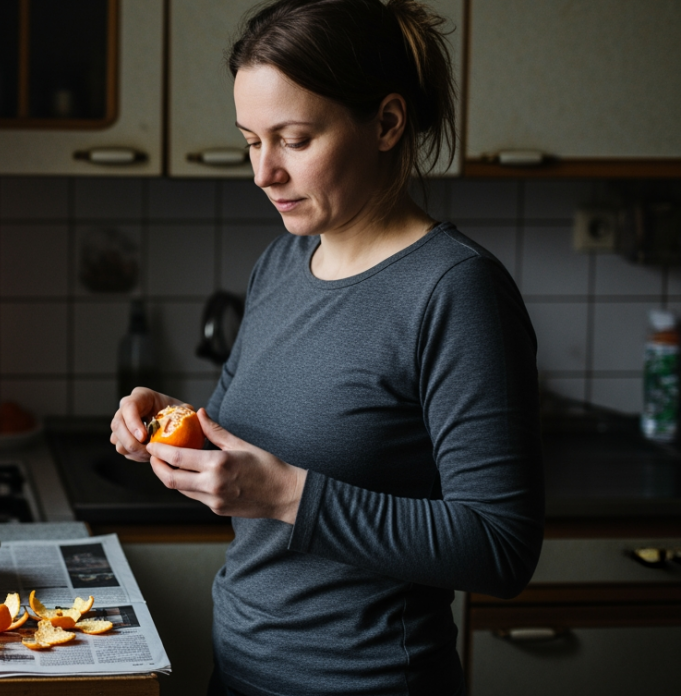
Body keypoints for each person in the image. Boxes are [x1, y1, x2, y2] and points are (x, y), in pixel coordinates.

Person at [109, 1, 544, 694]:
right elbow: (245, 452)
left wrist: (291, 499)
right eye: (252, 140)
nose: (264, 172)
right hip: (240, 673)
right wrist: (168, 424)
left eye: (295, 140)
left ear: (387, 123)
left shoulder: (457, 292)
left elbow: (501, 547)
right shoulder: (282, 264)